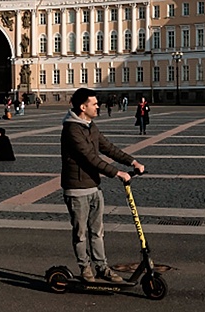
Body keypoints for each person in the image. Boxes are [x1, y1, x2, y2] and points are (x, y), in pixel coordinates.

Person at [61, 88, 145, 283]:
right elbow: (90, 159)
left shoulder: (90, 125)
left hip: (93, 187)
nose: (98, 106)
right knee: (81, 234)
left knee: (97, 232)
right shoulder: (72, 130)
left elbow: (108, 147)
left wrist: (132, 162)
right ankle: (85, 269)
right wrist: (117, 173)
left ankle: (102, 267)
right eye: (94, 103)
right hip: (76, 189)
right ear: (83, 107)